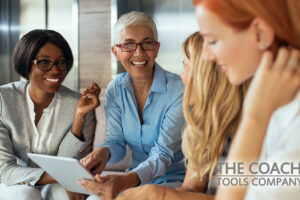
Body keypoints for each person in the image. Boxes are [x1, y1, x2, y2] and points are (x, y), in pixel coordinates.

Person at [114, 32, 249, 200]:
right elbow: (193, 186)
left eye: (186, 67)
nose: (182, 77)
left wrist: (161, 195)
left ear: (207, 75)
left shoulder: (250, 126)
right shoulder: (203, 124)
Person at [193, 0, 300, 199]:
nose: (206, 56)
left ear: (260, 33)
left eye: (212, 40)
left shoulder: (271, 116)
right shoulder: (280, 108)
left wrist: (255, 117)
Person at [78, 11, 186, 200]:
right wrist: (103, 153)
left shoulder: (178, 89)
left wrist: (126, 181)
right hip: (134, 180)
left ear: (157, 48)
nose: (139, 52)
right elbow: (116, 141)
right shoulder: (115, 88)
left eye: (147, 43)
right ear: (116, 52)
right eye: (128, 44)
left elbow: (163, 154)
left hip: (174, 182)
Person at [0, 29, 100, 200]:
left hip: (54, 182)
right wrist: (61, 177)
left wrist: (78, 118)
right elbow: (5, 169)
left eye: (62, 63)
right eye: (44, 62)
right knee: (25, 195)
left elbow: (65, 162)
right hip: (13, 182)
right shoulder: (3, 99)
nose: (56, 71)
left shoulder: (77, 102)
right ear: (26, 64)